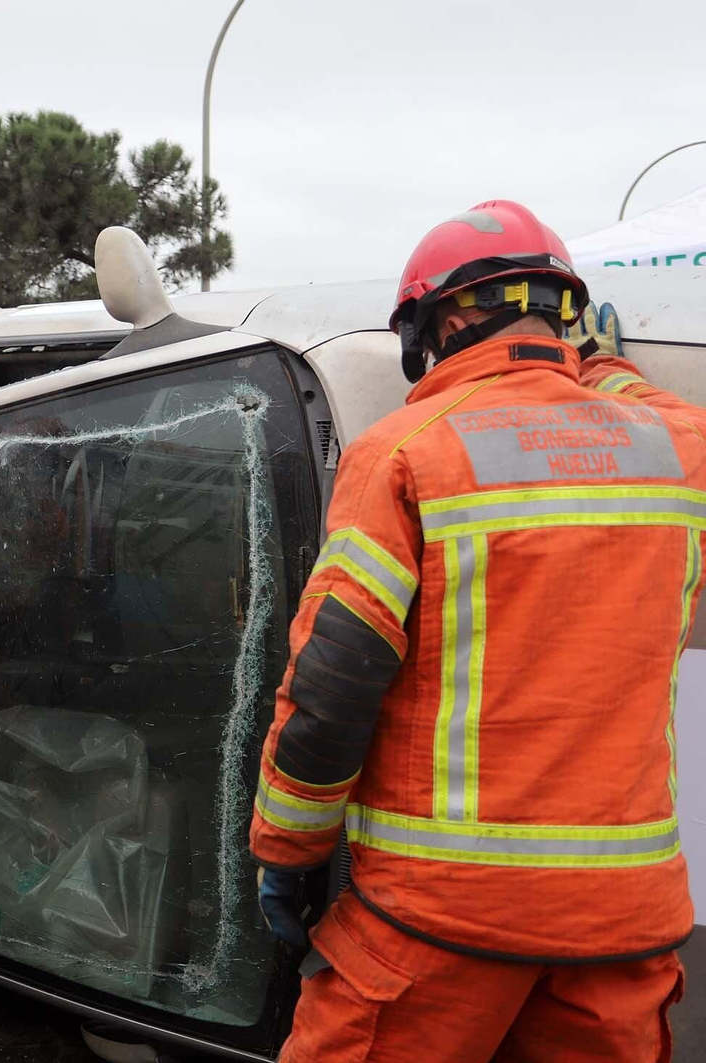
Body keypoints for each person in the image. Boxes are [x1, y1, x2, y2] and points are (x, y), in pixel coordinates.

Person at [249, 201, 699, 1062]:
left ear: (447, 320)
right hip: (622, 927)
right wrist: (602, 369)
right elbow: (666, 418)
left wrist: (292, 847)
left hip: (440, 920)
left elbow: (335, 681)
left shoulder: (408, 449)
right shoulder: (677, 447)